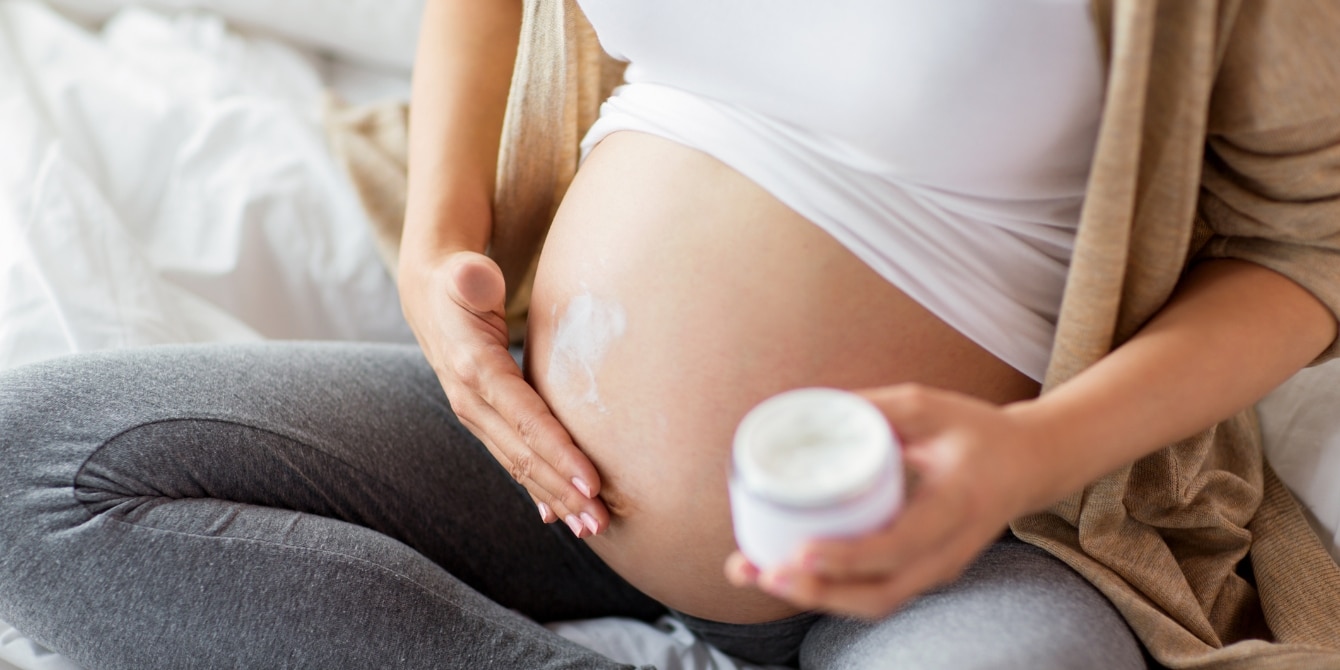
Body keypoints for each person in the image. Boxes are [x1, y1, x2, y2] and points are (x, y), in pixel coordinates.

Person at [1, 1, 1338, 669]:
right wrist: (437, 238)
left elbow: (1304, 242)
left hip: (963, 539)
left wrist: (1027, 454)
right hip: (539, 458)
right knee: (38, 472)